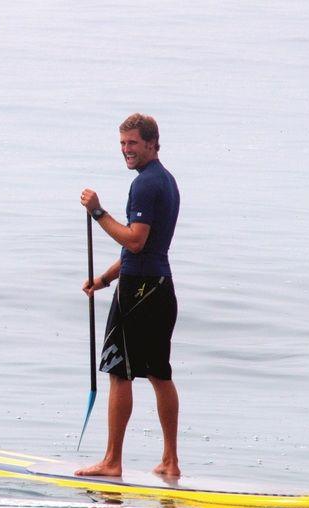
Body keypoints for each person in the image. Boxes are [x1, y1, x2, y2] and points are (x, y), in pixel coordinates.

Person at [76, 113, 182, 478]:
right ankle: (171, 461)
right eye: (122, 143)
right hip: (160, 288)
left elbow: (134, 241)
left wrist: (97, 212)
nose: (126, 150)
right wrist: (104, 279)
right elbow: (146, 248)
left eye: (133, 143)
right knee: (159, 374)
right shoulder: (166, 181)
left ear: (152, 143)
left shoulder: (145, 185)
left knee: (120, 374)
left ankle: (111, 461)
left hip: (138, 293)